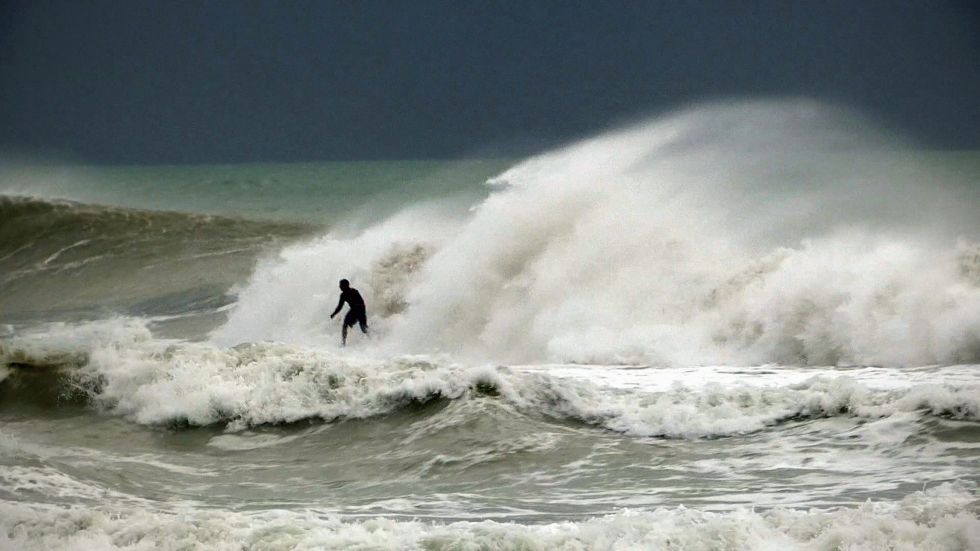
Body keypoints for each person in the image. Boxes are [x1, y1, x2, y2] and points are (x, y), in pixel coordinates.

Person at [330, 279, 368, 346]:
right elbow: (340, 306)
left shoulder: (354, 291)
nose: (339, 287)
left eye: (341, 285)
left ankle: (371, 339)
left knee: (363, 327)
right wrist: (334, 314)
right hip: (354, 310)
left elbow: (362, 303)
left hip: (360, 309)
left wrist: (360, 313)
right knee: (345, 324)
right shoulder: (343, 295)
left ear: (345, 286)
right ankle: (343, 342)